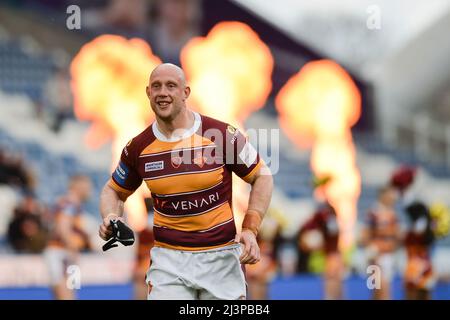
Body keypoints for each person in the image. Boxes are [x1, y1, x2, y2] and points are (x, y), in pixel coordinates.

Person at [98, 63, 273, 300]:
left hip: (220, 259)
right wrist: (110, 216)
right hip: (169, 262)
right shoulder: (138, 147)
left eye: (171, 86)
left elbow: (262, 176)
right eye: (156, 86)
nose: (163, 92)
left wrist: (251, 229)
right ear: (148, 93)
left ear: (185, 93)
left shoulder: (221, 135)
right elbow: (113, 190)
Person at [44, 175, 93, 300]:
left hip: (62, 251)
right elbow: (63, 227)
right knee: (65, 290)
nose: (89, 190)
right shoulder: (70, 203)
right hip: (61, 251)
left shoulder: (69, 202)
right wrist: (72, 248)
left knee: (67, 288)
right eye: (87, 187)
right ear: (77, 186)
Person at [296, 177, 344, 300]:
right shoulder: (321, 213)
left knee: (335, 283)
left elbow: (333, 232)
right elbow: (306, 229)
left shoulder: (328, 211)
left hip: (333, 253)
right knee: (332, 283)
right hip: (330, 254)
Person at [361, 185, 400, 300]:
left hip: (388, 256)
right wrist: (372, 252)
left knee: (381, 289)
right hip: (377, 257)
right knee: (379, 289)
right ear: (382, 196)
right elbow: (366, 235)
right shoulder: (374, 213)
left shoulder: (392, 214)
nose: (392, 197)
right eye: (389, 195)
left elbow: (396, 236)